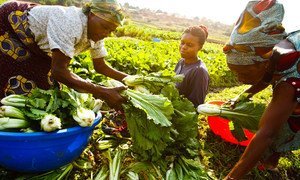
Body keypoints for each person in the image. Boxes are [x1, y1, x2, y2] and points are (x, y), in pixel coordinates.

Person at [0, 0, 128, 110]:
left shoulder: (97, 34)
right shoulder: (70, 23)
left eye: (111, 30)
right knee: (12, 82)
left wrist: (130, 80)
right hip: (11, 25)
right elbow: (59, 71)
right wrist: (102, 92)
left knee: (44, 87)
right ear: (91, 15)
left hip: (37, 44)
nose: (106, 33)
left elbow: (100, 66)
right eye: (104, 27)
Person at [222, 0, 300, 179]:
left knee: (289, 119)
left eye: (243, 72)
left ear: (263, 64)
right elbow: (265, 78)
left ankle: (271, 164)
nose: (240, 79)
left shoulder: (288, 81)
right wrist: (240, 97)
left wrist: (231, 178)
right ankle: (271, 159)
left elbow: (267, 133)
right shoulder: (269, 57)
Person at [175, 25, 210, 107]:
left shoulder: (199, 71)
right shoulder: (181, 62)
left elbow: (195, 106)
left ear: (200, 47)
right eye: (182, 43)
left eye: (189, 45)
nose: (183, 47)